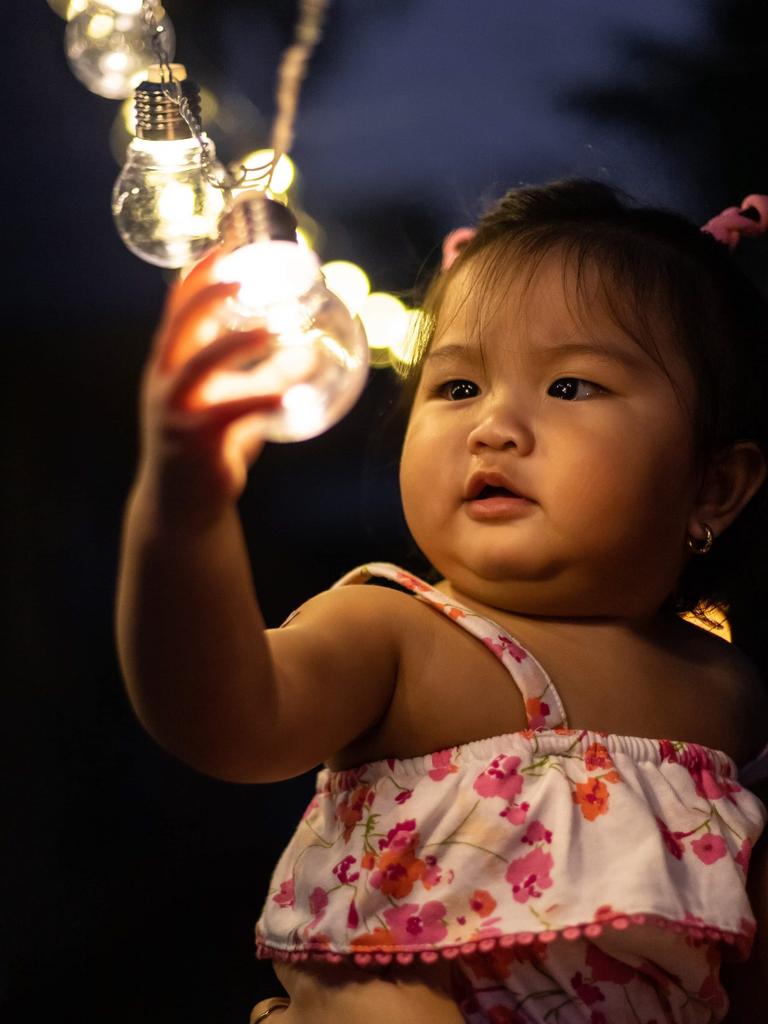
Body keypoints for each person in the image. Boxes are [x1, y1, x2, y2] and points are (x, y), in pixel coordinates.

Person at [116, 179, 768, 1023]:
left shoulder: (727, 693)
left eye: (571, 387)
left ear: (713, 486)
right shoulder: (398, 633)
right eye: (457, 387)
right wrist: (182, 514)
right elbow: (222, 714)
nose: (493, 426)